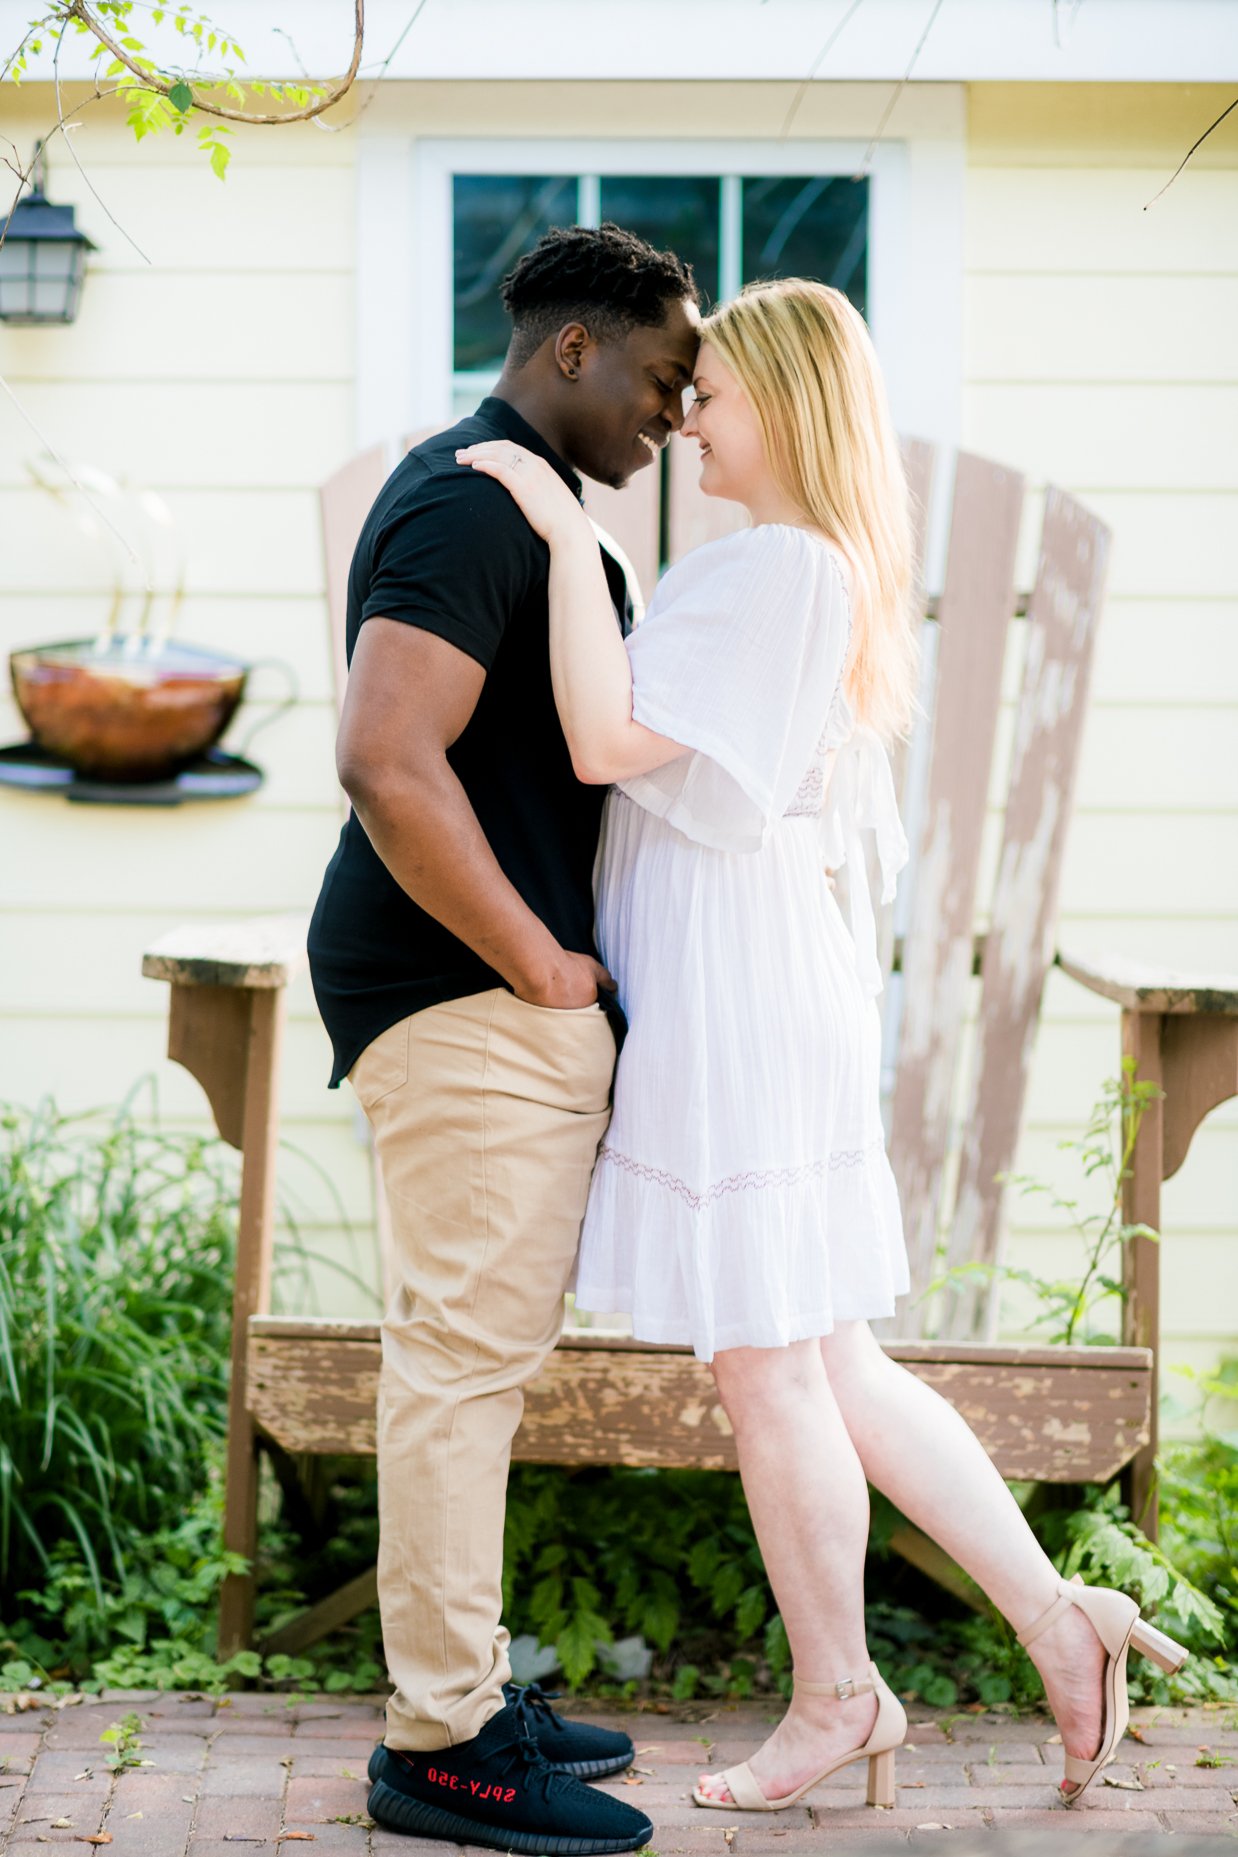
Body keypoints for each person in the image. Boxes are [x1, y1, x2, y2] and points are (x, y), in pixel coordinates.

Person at [456, 274, 1190, 1821]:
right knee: (830, 1359)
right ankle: (1061, 1620)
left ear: (780, 408)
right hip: (756, 983)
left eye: (707, 393)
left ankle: (837, 1695)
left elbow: (601, 744)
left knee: (768, 1364)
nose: (682, 414)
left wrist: (558, 528)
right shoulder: (789, 570)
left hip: (741, 999)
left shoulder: (779, 567)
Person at [307, 222, 701, 1854]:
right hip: (465, 990)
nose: (674, 417)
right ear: (572, 350)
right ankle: (446, 1742)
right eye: (666, 378)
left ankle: (463, 1692)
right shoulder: (475, 497)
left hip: (473, 990)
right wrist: (541, 960)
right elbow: (387, 757)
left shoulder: (496, 492)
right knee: (460, 1371)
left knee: (470, 1363)